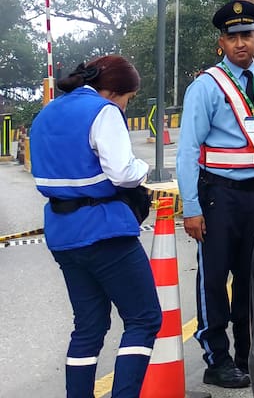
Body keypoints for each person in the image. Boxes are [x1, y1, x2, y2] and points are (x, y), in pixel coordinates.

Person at [30, 56, 162, 398]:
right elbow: (122, 172)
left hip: (61, 233)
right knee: (143, 319)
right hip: (104, 232)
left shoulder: (47, 113)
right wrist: (143, 168)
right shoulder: (103, 111)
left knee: (88, 327)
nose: (124, 105)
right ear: (117, 91)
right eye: (128, 98)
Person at [178, 0, 254, 389]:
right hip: (219, 195)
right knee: (214, 280)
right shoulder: (206, 86)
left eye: (247, 35)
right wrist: (191, 208)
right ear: (221, 44)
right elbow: (188, 151)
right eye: (232, 37)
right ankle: (217, 359)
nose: (240, 43)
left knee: (251, 278)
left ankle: (247, 355)